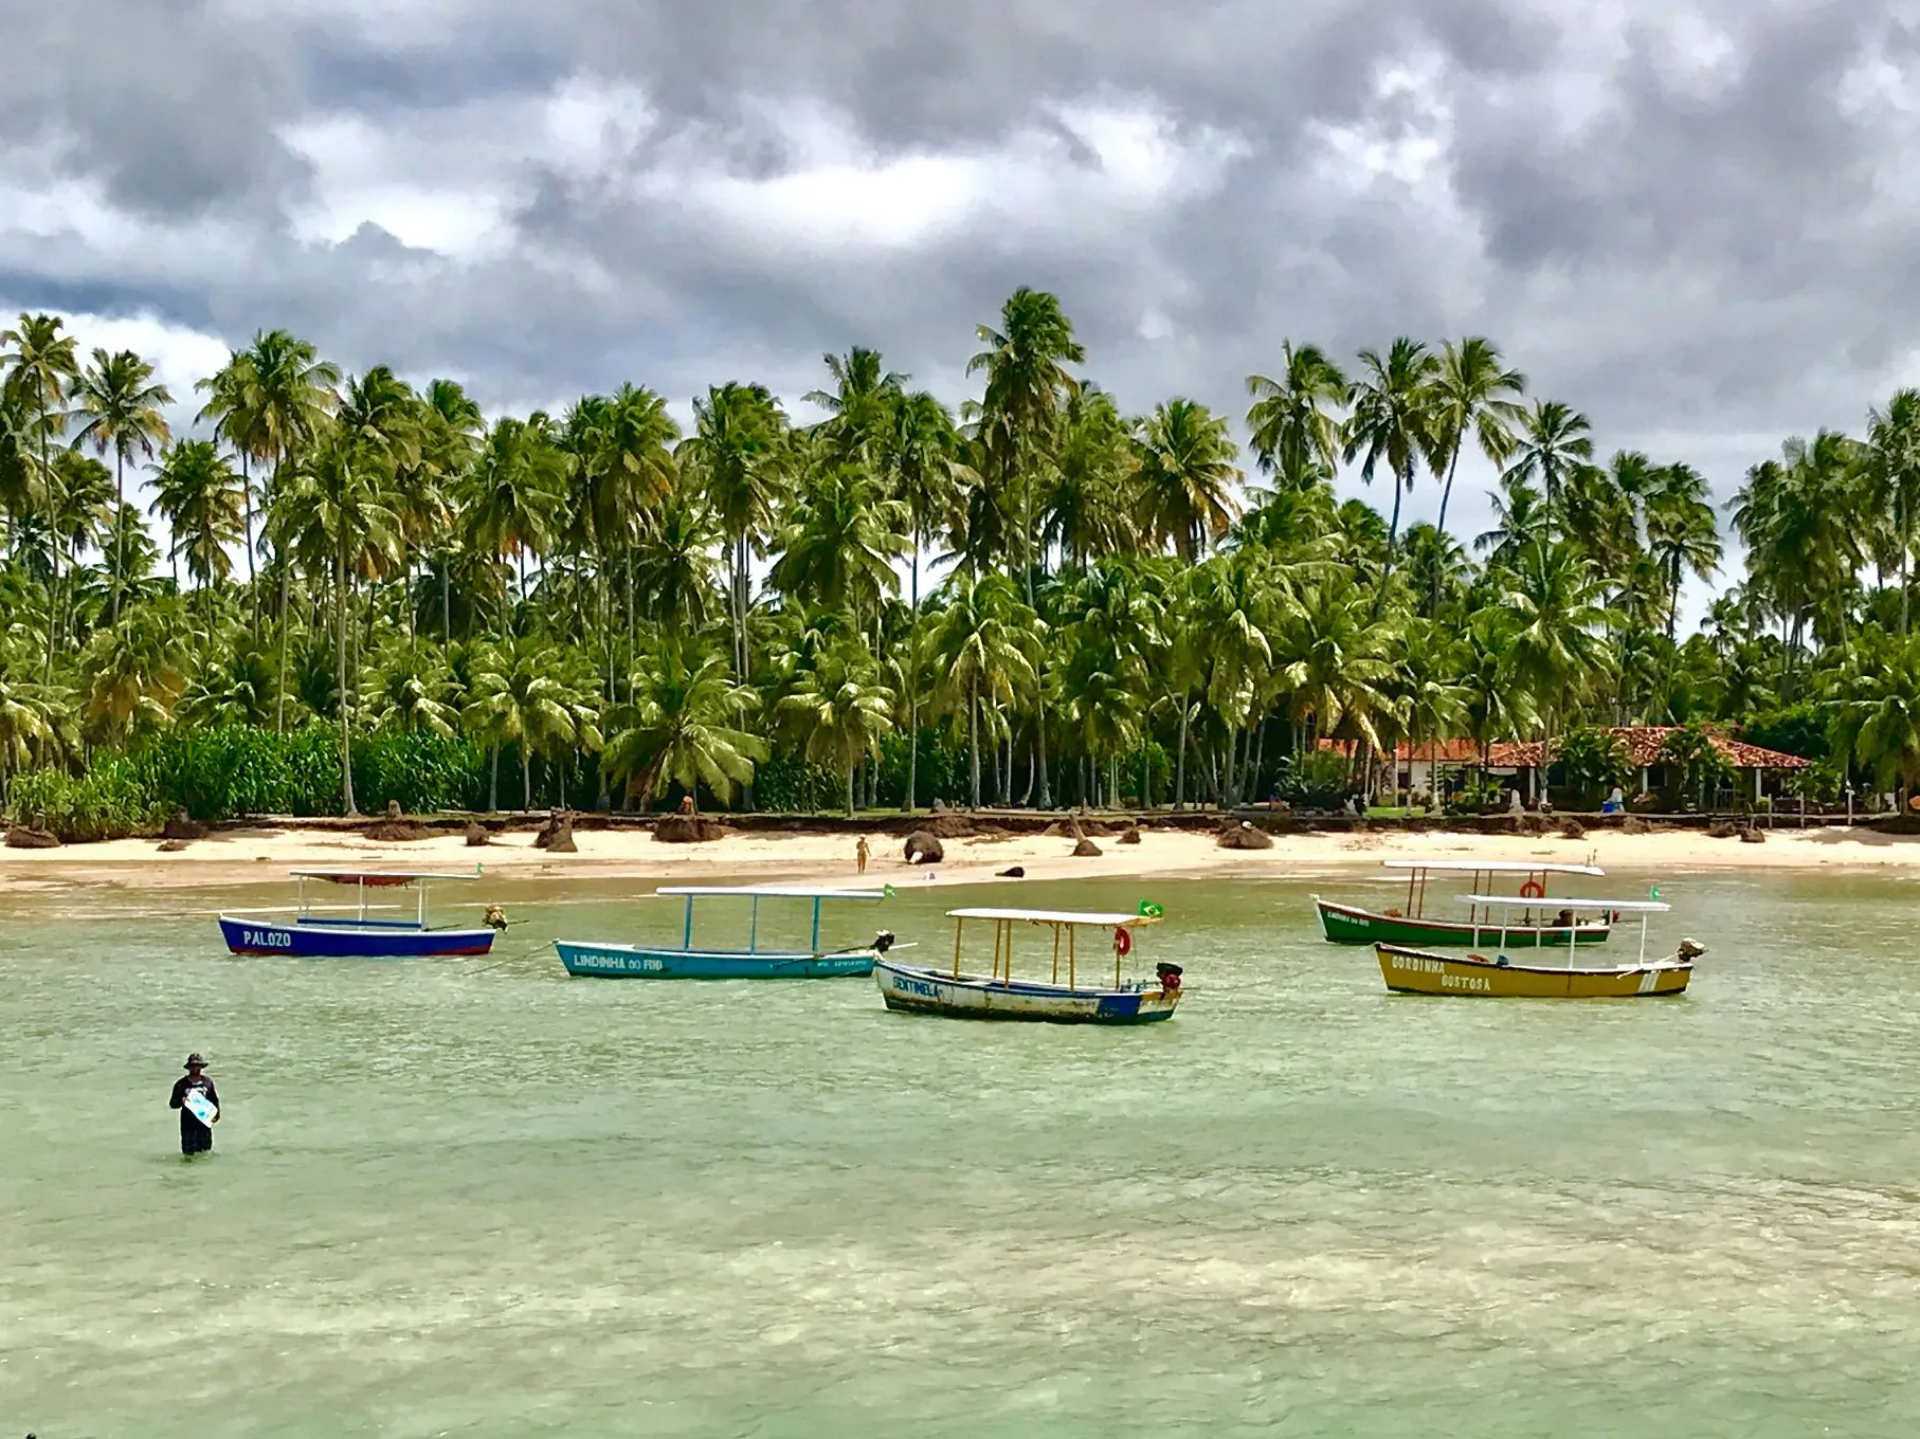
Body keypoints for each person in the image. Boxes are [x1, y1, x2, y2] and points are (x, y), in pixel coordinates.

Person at [169, 1053, 220, 1156]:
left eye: (198, 1065)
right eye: (193, 1065)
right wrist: (181, 1101)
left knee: (205, 1153)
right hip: (188, 1126)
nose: (195, 1068)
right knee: (188, 1154)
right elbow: (173, 1104)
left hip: (204, 1124)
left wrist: (215, 1117)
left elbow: (214, 1101)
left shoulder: (208, 1082)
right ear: (189, 1067)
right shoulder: (181, 1084)